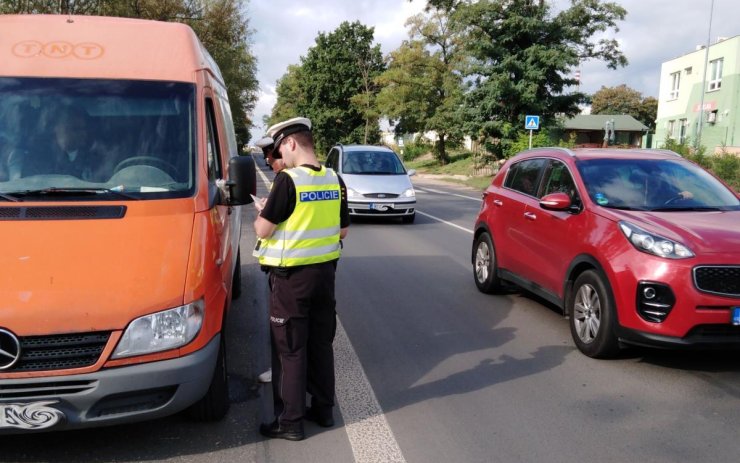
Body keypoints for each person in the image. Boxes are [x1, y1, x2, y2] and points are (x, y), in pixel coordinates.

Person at [254, 117, 349, 441]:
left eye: (281, 147)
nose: (281, 153)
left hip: (291, 279)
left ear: (291, 143)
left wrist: (264, 211)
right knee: (321, 345)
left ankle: (290, 422)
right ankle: (323, 411)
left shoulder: (288, 181)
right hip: (325, 275)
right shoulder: (335, 179)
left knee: (290, 351)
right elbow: (343, 229)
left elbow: (263, 230)